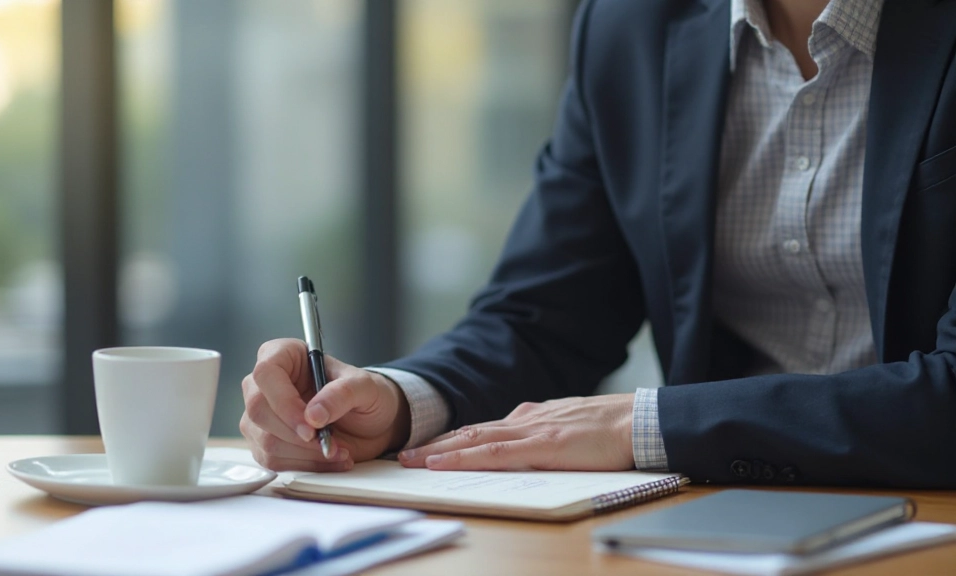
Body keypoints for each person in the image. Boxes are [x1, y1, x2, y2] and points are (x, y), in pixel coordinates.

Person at [240, 0, 956, 487]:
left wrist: (645, 424)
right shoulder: (632, 27)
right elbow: (543, 319)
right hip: (718, 523)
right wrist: (393, 403)